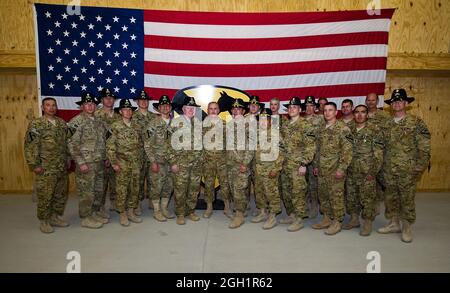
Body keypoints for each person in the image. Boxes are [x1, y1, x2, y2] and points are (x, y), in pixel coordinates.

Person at [377, 89, 431, 243]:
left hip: (408, 169)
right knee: (390, 197)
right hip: (388, 168)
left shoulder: (415, 122)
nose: (397, 103)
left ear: (406, 103)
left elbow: (424, 146)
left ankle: (406, 227)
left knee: (406, 198)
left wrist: (420, 166)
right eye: (394, 101)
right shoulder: (386, 124)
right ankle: (394, 223)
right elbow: (380, 146)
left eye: (400, 101)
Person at [24, 97, 70, 233]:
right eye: (48, 105)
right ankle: (44, 221)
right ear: (43, 108)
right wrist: (34, 164)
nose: (51, 108)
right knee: (45, 194)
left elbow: (66, 143)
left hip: (61, 166)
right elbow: (30, 146)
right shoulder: (36, 124)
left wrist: (68, 158)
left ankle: (55, 217)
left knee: (60, 194)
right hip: (45, 167)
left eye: (53, 105)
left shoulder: (61, 123)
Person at [68, 93, 108, 229]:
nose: (90, 106)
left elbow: (103, 141)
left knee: (98, 190)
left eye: (92, 104)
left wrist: (106, 157)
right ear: (82, 106)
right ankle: (85, 217)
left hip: (99, 161)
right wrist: (80, 162)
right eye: (87, 104)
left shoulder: (98, 121)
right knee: (87, 192)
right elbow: (71, 144)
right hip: (86, 163)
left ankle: (93, 212)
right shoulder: (76, 122)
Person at [312, 102, 353, 235]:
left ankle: (337, 221)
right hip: (323, 169)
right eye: (325, 110)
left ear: (336, 112)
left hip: (335, 169)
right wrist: (317, 166)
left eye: (330, 110)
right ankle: (326, 218)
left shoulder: (343, 128)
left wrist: (341, 169)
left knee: (336, 196)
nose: (327, 113)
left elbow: (347, 151)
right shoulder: (322, 128)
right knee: (323, 195)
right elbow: (318, 150)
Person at [344, 105, 384, 236]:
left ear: (367, 114)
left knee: (367, 198)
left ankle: (367, 222)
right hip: (351, 169)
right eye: (357, 112)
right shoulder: (348, 129)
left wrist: (373, 172)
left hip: (367, 171)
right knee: (351, 196)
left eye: (363, 112)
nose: (360, 115)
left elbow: (378, 154)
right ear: (353, 114)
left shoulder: (374, 130)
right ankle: (354, 219)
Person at [280, 97, 316, 232]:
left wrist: (304, 164)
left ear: (300, 110)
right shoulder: (286, 125)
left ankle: (299, 219)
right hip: (285, 165)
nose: (291, 109)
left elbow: (310, 147)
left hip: (297, 166)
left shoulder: (306, 125)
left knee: (298, 192)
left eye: (294, 107)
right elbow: (282, 146)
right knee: (287, 192)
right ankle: (292, 215)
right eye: (289, 107)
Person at [107, 99, 143, 226]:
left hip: (136, 163)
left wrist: (141, 161)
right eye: (125, 109)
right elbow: (110, 146)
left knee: (135, 188)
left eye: (129, 109)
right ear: (120, 111)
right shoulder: (115, 126)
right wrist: (114, 163)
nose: (127, 112)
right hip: (121, 163)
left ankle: (131, 211)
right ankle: (122, 213)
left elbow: (141, 145)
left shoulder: (137, 126)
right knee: (122, 189)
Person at [168, 95, 203, 225]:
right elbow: (169, 144)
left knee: (194, 189)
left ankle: (190, 211)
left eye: (193, 108)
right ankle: (180, 213)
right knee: (180, 189)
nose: (191, 110)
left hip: (196, 164)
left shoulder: (198, 123)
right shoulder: (176, 122)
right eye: (188, 107)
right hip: (181, 163)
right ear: (183, 108)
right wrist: (173, 162)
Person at [143, 95, 175, 222]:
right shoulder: (153, 124)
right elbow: (147, 144)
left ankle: (164, 208)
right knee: (156, 187)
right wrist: (153, 161)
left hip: (171, 162)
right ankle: (157, 211)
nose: (165, 108)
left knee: (168, 186)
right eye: (162, 106)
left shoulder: (175, 123)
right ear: (158, 109)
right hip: (158, 161)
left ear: (170, 108)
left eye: (167, 105)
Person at [252, 108, 284, 229]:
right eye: (261, 119)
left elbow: (282, 152)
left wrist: (276, 168)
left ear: (271, 121)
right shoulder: (257, 133)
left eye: (266, 119)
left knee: (272, 193)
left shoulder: (276, 133)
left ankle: (273, 216)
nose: (263, 122)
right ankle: (263, 212)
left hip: (270, 169)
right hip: (258, 169)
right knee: (259, 192)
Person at [226, 99, 255, 228]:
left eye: (239, 109)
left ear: (243, 111)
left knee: (239, 190)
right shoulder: (229, 124)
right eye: (234, 109)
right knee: (234, 189)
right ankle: (240, 209)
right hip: (230, 164)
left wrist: (245, 163)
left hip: (241, 164)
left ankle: (239, 215)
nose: (236, 111)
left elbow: (251, 146)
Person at [202, 102, 233, 218]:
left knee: (225, 184)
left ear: (219, 110)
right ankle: (209, 207)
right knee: (209, 184)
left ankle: (227, 207)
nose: (213, 111)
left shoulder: (225, 125)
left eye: (215, 109)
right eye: (211, 109)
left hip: (222, 160)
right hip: (208, 160)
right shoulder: (202, 126)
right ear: (207, 110)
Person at [94, 88, 120, 214]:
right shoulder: (95, 115)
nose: (109, 100)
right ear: (102, 100)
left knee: (115, 181)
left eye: (111, 98)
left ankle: (114, 203)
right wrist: (105, 156)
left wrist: (114, 157)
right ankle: (100, 207)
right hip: (100, 156)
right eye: (106, 98)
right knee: (101, 184)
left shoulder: (118, 116)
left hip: (116, 155)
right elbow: (95, 139)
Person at [365, 92, 390, 214]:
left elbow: (389, 135)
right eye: (368, 100)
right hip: (365, 154)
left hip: (380, 153)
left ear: (377, 101)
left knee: (382, 181)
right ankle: (370, 206)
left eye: (373, 100)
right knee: (369, 181)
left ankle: (382, 207)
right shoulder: (362, 114)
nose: (370, 102)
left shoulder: (384, 116)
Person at [132, 90, 156, 215]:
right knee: (138, 179)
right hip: (138, 153)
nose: (143, 102)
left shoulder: (153, 117)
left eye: (146, 100)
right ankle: (137, 204)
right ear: (137, 101)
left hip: (152, 153)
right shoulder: (132, 117)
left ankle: (152, 200)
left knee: (152, 178)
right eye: (141, 100)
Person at [302, 95, 324, 219]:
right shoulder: (300, 120)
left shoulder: (320, 120)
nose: (309, 108)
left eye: (311, 106)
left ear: (315, 107)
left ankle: (314, 205)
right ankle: (304, 204)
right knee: (302, 181)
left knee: (313, 182)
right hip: (302, 156)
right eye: (307, 106)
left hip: (315, 156)